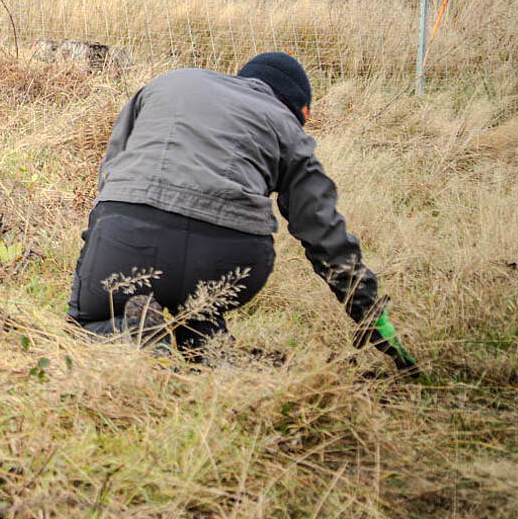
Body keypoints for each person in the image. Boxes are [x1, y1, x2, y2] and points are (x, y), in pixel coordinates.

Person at [67, 52, 416, 370]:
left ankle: (129, 334)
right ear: (297, 109)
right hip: (230, 258)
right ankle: (212, 357)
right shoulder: (285, 124)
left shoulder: (171, 82)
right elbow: (322, 229)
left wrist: (99, 246)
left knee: (87, 322)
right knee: (200, 306)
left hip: (129, 237)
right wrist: (368, 312)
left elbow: (110, 175)